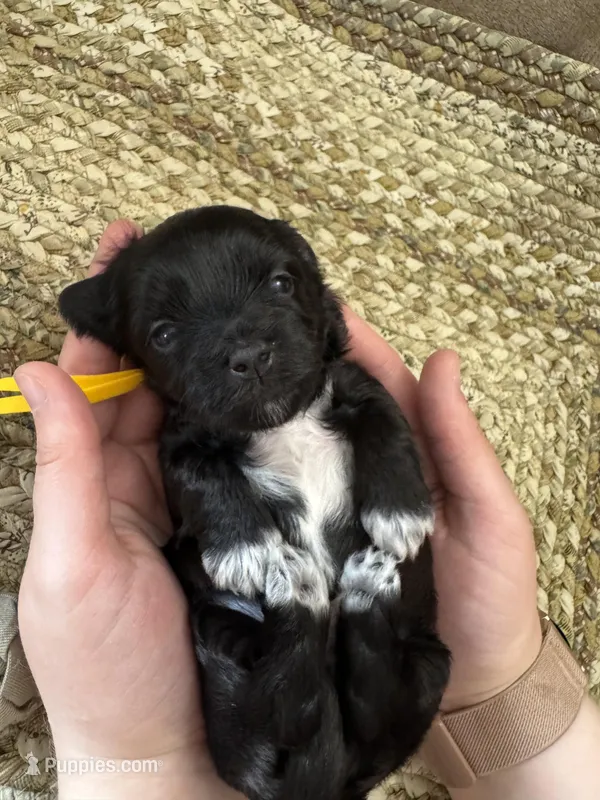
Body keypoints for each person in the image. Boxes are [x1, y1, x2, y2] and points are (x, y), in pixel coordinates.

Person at [14, 221, 600, 800]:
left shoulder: (350, 393)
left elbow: (380, 423)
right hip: (269, 705)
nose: (245, 351)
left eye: (277, 286)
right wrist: (234, 534)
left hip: (385, 691)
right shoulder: (192, 446)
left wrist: (397, 491)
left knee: (414, 671)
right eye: (167, 333)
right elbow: (195, 471)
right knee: (239, 662)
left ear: (315, 288)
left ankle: (336, 628)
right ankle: (312, 630)